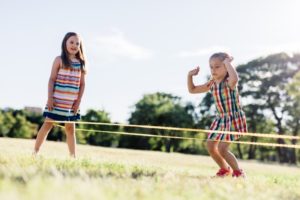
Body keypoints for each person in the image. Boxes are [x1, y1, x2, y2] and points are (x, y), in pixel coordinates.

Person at [187, 52, 247, 178]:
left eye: (218, 66)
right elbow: (192, 90)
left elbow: (235, 78)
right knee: (210, 146)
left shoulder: (229, 82)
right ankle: (225, 170)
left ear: (226, 67)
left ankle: (239, 173)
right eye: (211, 67)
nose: (213, 70)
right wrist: (190, 76)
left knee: (222, 149)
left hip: (233, 119)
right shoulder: (212, 83)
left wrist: (228, 63)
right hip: (220, 119)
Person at [33, 32, 87, 158]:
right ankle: (35, 152)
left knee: (70, 130)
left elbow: (82, 84)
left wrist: (78, 102)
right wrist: (50, 98)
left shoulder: (81, 63)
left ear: (80, 46)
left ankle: (72, 157)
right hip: (56, 101)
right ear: (65, 43)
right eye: (71, 42)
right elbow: (52, 79)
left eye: (77, 43)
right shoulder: (59, 60)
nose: (74, 45)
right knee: (47, 125)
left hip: (71, 104)